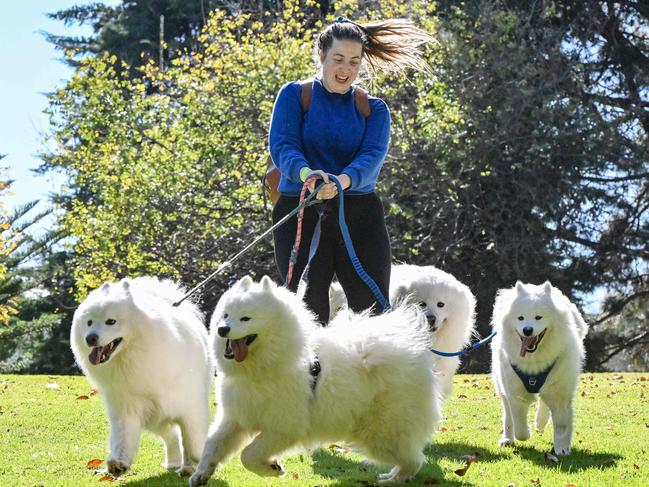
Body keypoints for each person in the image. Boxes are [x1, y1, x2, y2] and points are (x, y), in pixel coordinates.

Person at [269, 16, 433, 325]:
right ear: (322, 56)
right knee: (307, 306)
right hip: (302, 208)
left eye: (354, 62)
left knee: (371, 310)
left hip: (358, 213)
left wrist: (341, 182)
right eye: (338, 59)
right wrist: (310, 176)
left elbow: (372, 157)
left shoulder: (375, 109)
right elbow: (283, 145)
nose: (345, 69)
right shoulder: (294, 95)